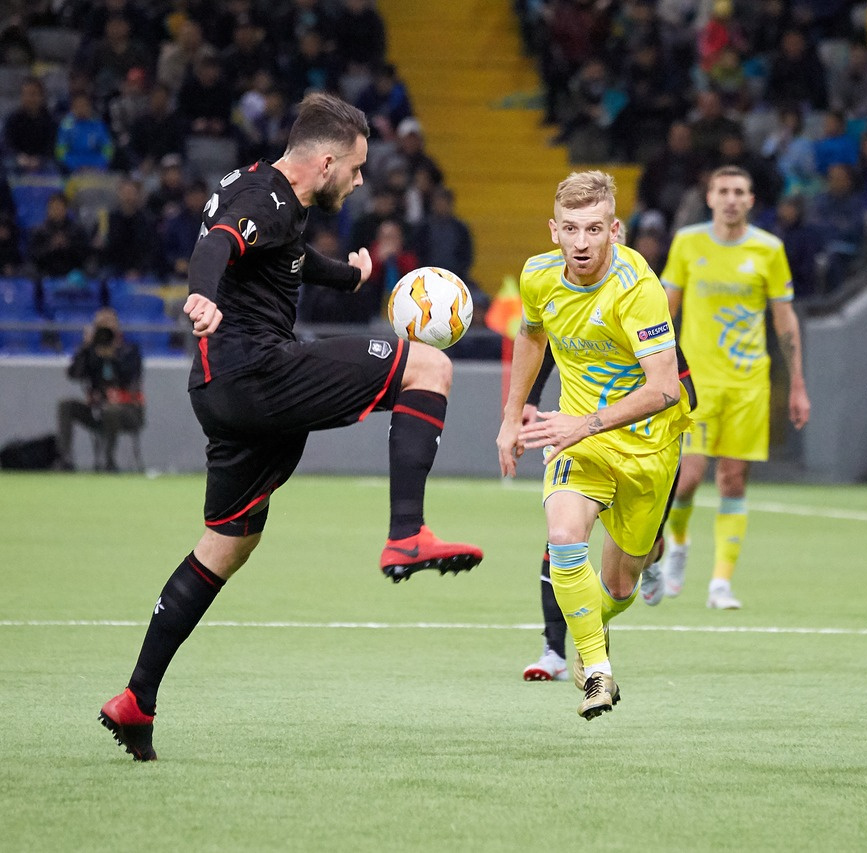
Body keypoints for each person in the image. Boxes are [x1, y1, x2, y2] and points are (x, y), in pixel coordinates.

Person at [98, 93, 484, 762]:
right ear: (326, 162)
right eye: (356, 169)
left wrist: (351, 275)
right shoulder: (266, 200)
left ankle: (136, 697)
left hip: (220, 391)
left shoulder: (262, 190)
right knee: (429, 367)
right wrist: (201, 294)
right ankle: (407, 532)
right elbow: (219, 244)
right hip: (257, 372)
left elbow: (290, 258)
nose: (359, 182)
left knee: (227, 545)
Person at [497, 170, 691, 719]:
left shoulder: (639, 289)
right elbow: (532, 334)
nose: (582, 243)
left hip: (647, 449)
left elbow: (665, 389)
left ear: (615, 230)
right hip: (578, 441)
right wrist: (511, 417)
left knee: (621, 585)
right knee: (562, 536)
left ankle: (594, 628)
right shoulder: (538, 276)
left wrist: (581, 425)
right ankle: (596, 669)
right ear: (554, 230)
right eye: (572, 229)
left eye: (595, 229)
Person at [658, 165, 811, 609]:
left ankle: (720, 583)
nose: (730, 198)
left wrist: (797, 383)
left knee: (732, 479)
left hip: (748, 384)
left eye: (739, 192)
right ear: (709, 197)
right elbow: (665, 310)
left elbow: (785, 319)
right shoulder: (688, 243)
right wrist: (654, 368)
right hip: (696, 383)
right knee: (686, 479)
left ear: (750, 200)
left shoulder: (769, 249)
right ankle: (678, 543)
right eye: (722, 190)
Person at [55, 307, 145, 472]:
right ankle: (65, 459)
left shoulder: (130, 350)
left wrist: (113, 356)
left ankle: (108, 461)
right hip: (97, 409)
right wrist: (85, 348)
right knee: (66, 405)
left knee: (111, 410)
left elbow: (130, 377)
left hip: (127, 410)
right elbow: (74, 374)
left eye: (108, 325)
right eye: (100, 325)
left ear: (117, 327)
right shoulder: (91, 351)